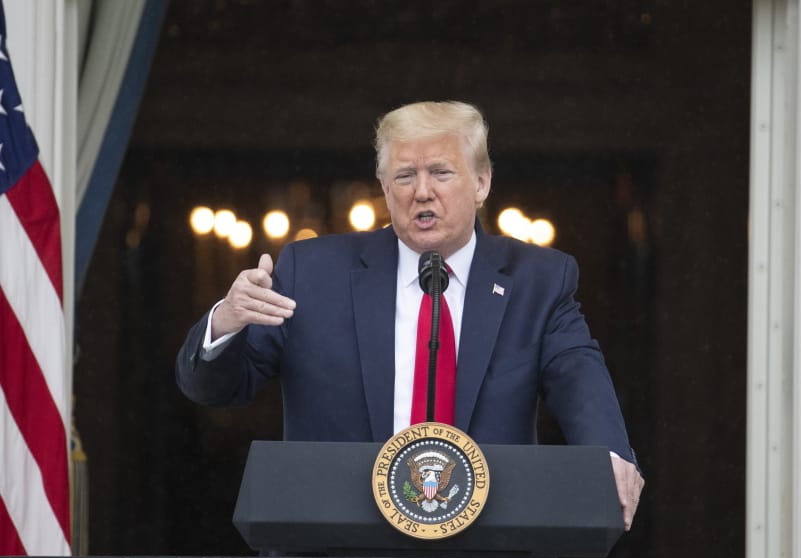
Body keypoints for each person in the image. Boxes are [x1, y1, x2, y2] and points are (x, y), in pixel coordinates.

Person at [176, 100, 644, 534]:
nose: (422, 192)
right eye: (404, 176)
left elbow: (578, 374)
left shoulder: (538, 279)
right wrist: (226, 322)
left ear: (481, 183)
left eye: (441, 172)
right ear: (384, 187)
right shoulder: (311, 273)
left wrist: (610, 453)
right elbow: (217, 388)